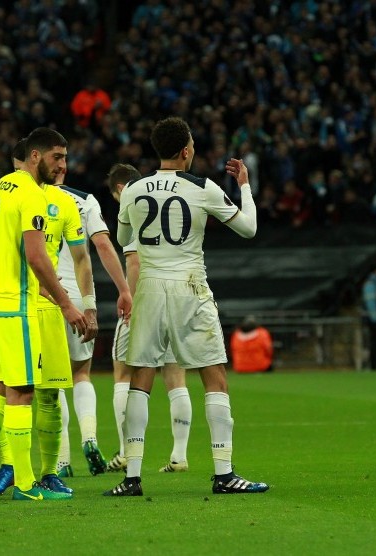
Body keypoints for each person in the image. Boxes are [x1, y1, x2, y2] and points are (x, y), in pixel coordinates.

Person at [105, 116, 268, 496]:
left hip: (147, 288)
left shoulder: (132, 190)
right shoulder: (204, 188)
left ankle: (131, 478)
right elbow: (249, 229)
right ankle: (224, 473)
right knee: (214, 375)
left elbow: (124, 238)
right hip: (189, 287)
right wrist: (244, 187)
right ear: (185, 151)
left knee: (140, 379)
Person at [0, 128, 87, 502]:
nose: (62, 165)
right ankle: (26, 484)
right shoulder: (33, 196)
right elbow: (36, 256)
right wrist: (67, 303)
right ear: (35, 157)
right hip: (14, 306)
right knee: (23, 391)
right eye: (57, 157)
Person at [105, 163, 192, 475]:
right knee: (175, 378)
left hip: (147, 301)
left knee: (123, 375)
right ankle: (179, 455)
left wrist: (131, 299)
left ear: (118, 189)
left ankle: (127, 452)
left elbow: (134, 262)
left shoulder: (134, 205)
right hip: (179, 299)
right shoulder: (170, 202)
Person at [52, 159, 133, 479]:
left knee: (52, 380)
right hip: (76, 291)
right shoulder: (83, 200)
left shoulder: (24, 198)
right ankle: (90, 438)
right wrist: (124, 289)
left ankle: (61, 458)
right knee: (81, 373)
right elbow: (101, 244)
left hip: (40, 294)